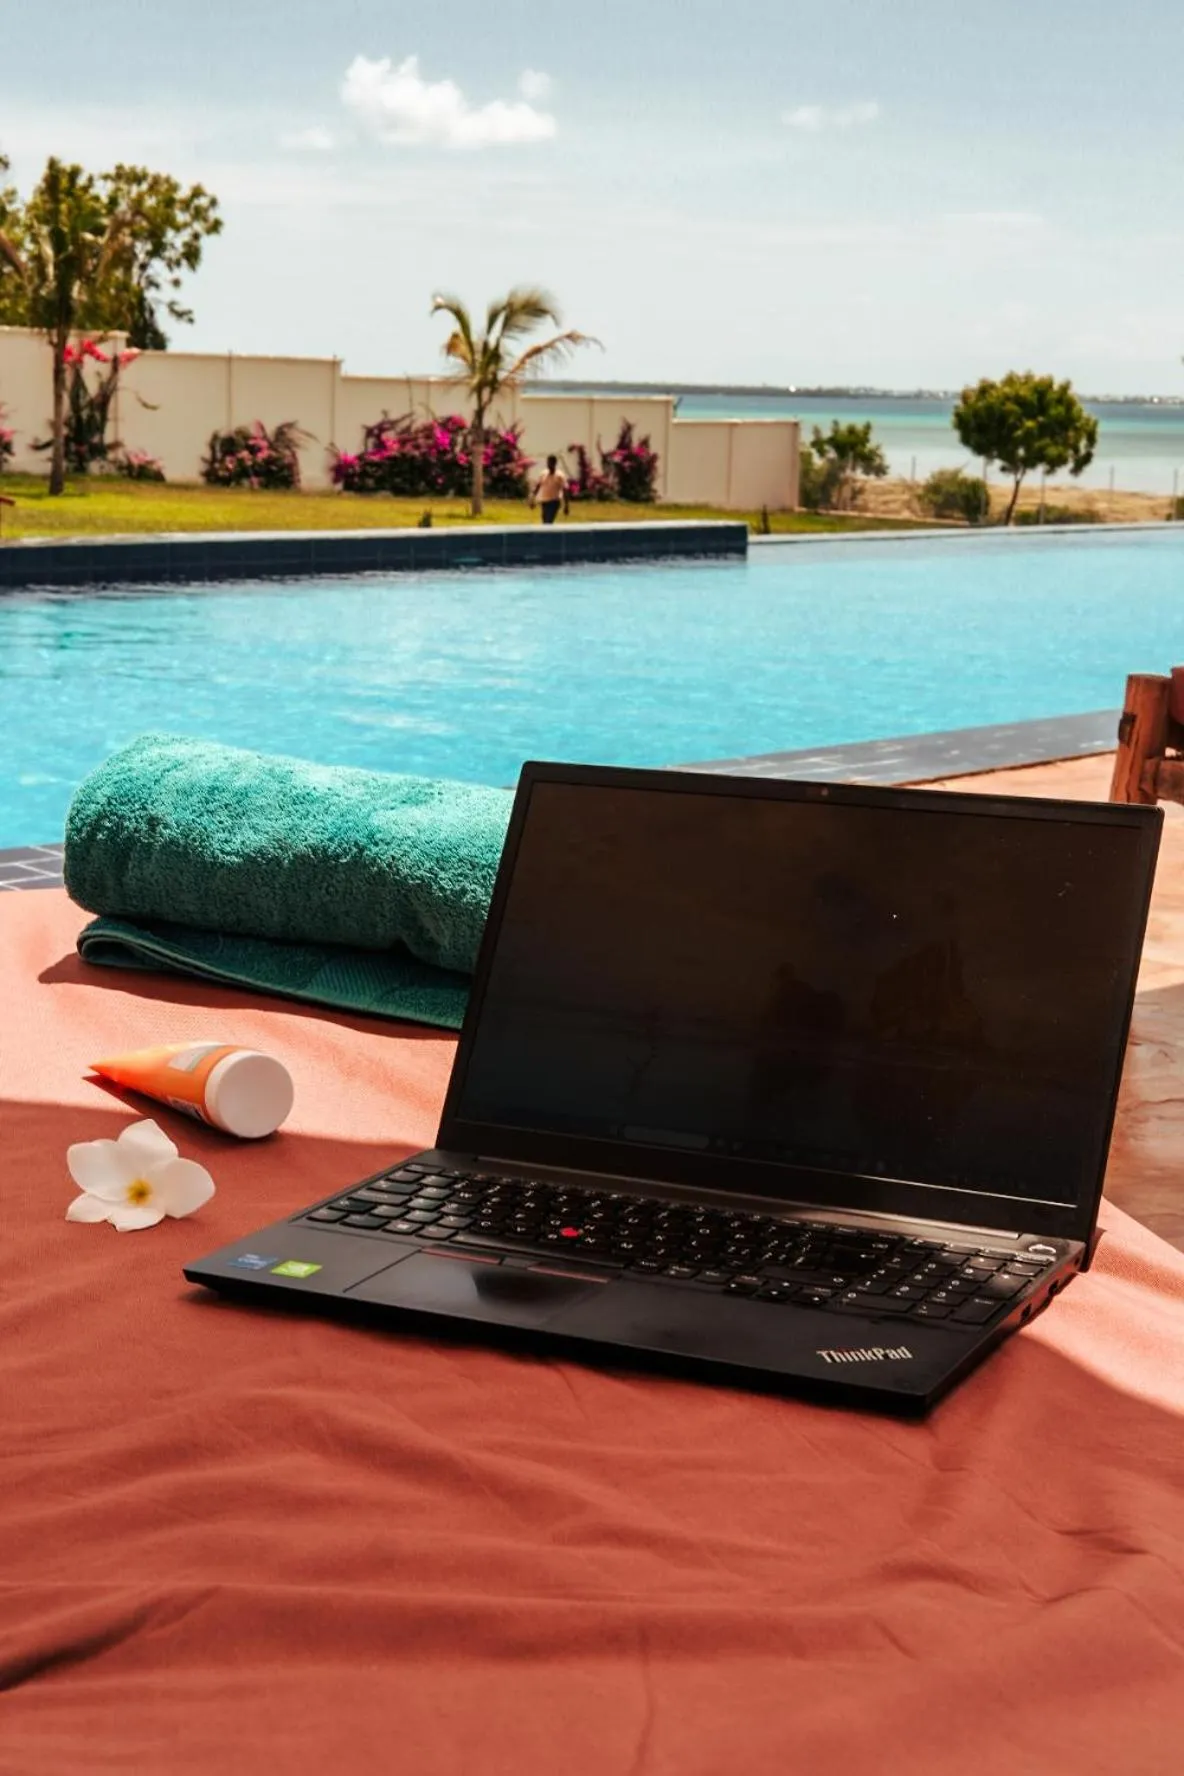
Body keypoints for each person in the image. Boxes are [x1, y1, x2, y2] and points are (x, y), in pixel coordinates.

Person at [531, 455, 568, 525]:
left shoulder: (560, 476)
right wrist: (532, 498)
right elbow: (537, 487)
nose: (549, 465)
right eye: (548, 463)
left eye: (551, 463)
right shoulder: (543, 474)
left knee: (548, 521)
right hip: (544, 502)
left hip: (554, 502)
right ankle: (547, 535)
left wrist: (566, 506)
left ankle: (549, 535)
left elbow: (565, 490)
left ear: (554, 464)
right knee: (545, 522)